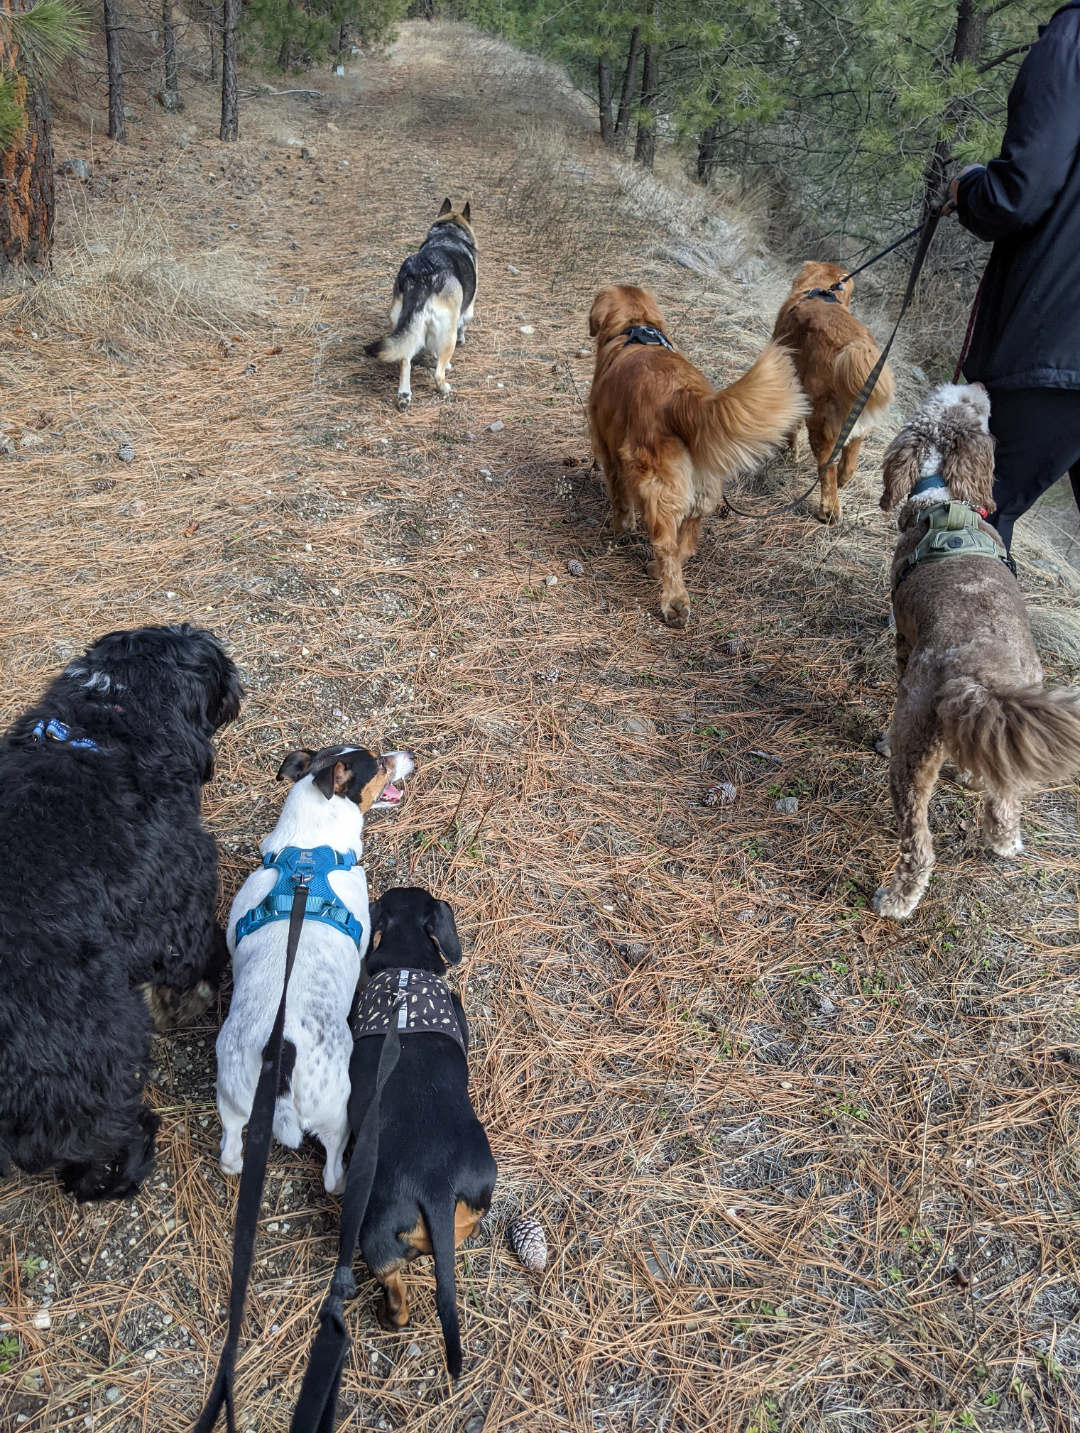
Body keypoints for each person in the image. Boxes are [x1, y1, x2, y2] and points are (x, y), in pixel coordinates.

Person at [951, 0, 1080, 552]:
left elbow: (1016, 195)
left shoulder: (1073, 36)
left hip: (1052, 342)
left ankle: (961, 639)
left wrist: (969, 187)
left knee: (972, 508)